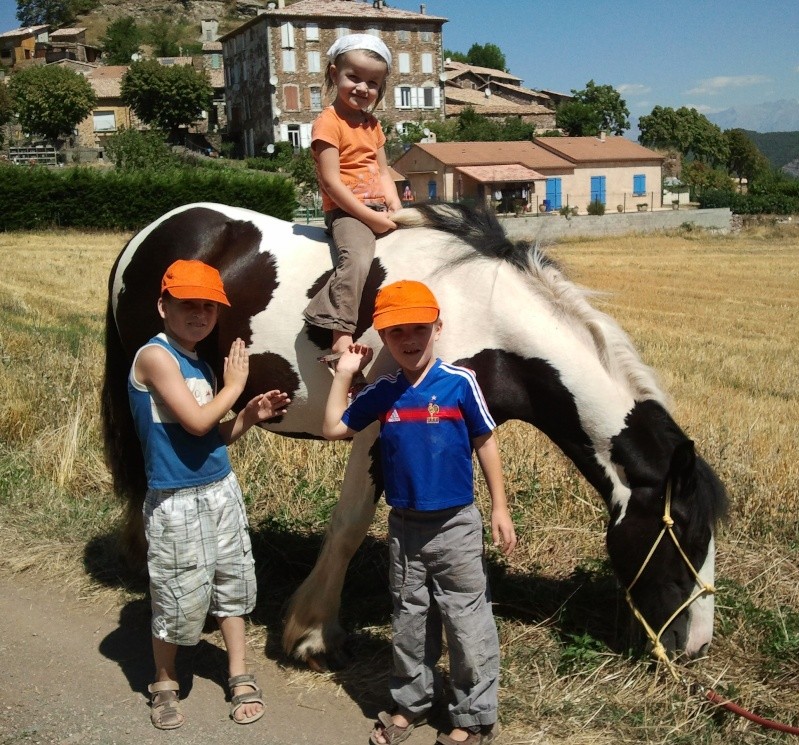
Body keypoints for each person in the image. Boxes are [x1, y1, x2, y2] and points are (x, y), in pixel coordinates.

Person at [322, 280, 517, 745]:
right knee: (409, 619)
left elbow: (485, 442)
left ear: (437, 328)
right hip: (404, 527)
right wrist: (345, 372)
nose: (409, 340)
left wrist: (500, 506)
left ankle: (473, 716)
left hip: (456, 525)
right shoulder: (385, 392)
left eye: (419, 329)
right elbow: (332, 427)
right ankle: (410, 704)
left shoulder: (458, 383)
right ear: (384, 339)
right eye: (396, 332)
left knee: (467, 622)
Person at [128, 259, 290, 730]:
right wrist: (237, 386)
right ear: (163, 306)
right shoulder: (154, 357)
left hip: (220, 489)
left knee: (231, 582)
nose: (199, 315)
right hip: (175, 499)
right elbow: (198, 421)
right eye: (187, 305)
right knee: (177, 594)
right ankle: (164, 679)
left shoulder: (198, 361)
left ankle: (238, 671)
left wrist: (250, 415)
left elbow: (211, 438)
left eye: (208, 307)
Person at [303, 33, 402, 368]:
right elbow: (331, 183)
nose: (362, 88)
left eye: (372, 82)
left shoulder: (372, 125)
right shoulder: (327, 123)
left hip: (378, 209)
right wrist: (372, 219)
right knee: (357, 258)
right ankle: (340, 334)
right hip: (347, 213)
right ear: (334, 75)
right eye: (353, 77)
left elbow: (384, 172)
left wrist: (396, 209)